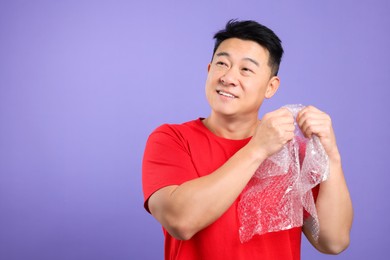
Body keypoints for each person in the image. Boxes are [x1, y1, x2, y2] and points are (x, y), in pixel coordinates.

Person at [142, 19, 353, 260]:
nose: (228, 77)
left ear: (270, 87)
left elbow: (333, 241)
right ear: (209, 71)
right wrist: (257, 149)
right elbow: (180, 221)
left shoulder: (293, 151)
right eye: (222, 64)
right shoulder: (171, 139)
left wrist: (332, 156)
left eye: (246, 70)